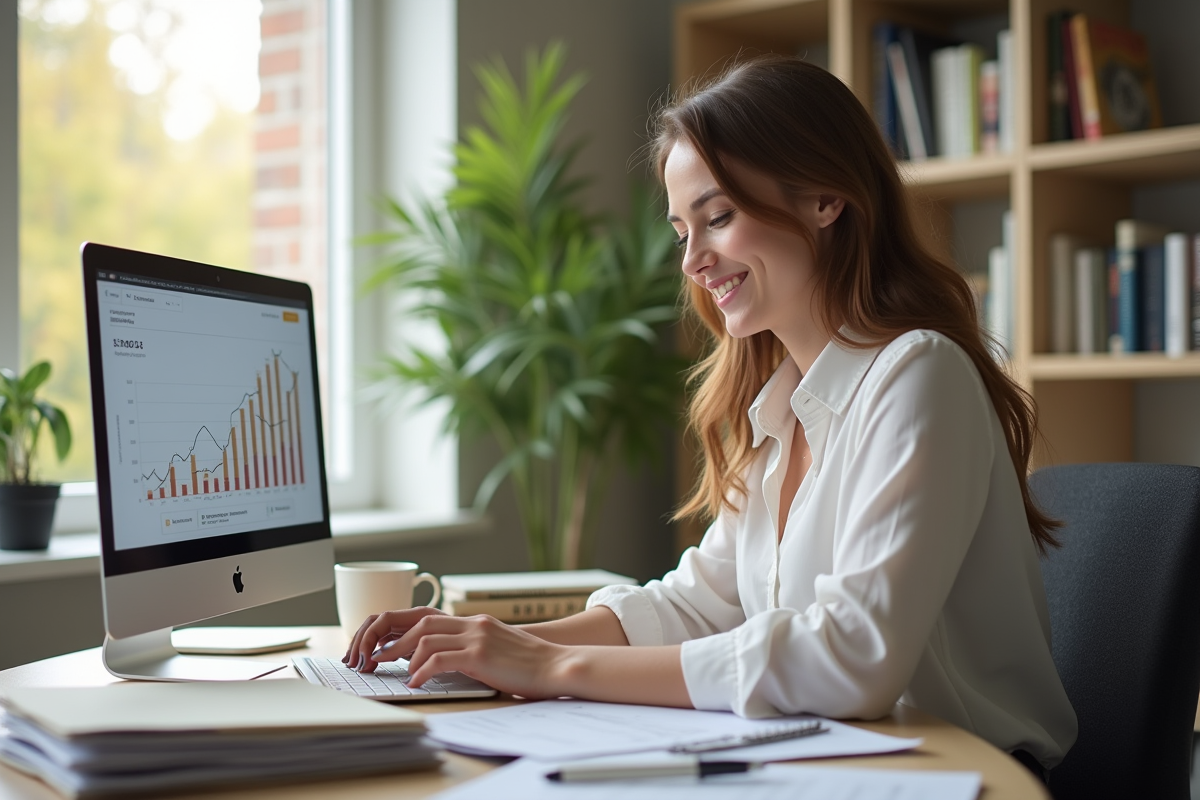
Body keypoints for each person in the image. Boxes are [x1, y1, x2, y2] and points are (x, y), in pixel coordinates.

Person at [344, 54, 1078, 776]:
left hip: (958, 774)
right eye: (680, 232)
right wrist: (490, 645)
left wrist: (552, 663)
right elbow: (700, 605)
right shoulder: (780, 405)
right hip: (827, 762)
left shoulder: (920, 374)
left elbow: (856, 660)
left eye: (718, 217)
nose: (693, 260)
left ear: (827, 200)